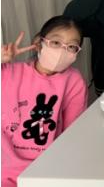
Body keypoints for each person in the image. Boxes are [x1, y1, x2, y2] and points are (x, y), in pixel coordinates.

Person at [2, 17, 87, 187]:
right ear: (38, 43)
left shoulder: (74, 80)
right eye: (55, 42)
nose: (62, 51)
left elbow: (71, 134)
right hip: (5, 170)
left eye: (71, 46)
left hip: (47, 170)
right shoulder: (8, 72)